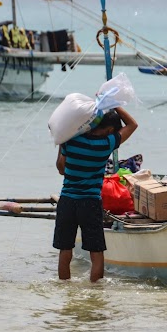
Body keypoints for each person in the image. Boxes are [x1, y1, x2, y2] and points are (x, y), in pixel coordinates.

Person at [53, 107, 138, 282]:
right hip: (90, 202)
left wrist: (62, 140)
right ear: (108, 130)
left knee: (65, 250)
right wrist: (115, 104)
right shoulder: (106, 144)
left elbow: (61, 169)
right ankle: (95, 294)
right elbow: (133, 124)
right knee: (96, 251)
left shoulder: (71, 141)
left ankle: (64, 290)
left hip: (67, 200)